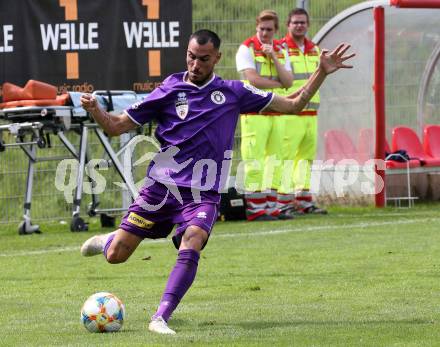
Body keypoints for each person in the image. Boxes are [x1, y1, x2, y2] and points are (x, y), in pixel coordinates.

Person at [79, 29, 354, 335]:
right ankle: (107, 241)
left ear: (217, 58)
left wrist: (321, 71)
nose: (195, 64)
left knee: (193, 237)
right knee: (118, 255)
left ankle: (160, 317)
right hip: (161, 188)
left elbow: (293, 104)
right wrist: (95, 110)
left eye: (203, 59)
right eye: (191, 57)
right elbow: (116, 127)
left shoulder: (234, 92)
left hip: (203, 192)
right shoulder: (169, 89)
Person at [236, 10, 294, 221]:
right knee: (255, 161)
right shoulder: (246, 48)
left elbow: (289, 80)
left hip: (276, 112)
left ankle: (271, 207)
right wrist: (278, 84)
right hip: (255, 113)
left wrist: (274, 58)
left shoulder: (280, 48)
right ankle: (255, 208)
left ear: (276, 30)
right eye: (262, 29)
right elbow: (253, 80)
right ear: (256, 27)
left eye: (269, 29)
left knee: (276, 160)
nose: (265, 33)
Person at [278, 8, 328, 215]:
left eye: (303, 22)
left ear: (308, 25)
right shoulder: (281, 48)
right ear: (288, 25)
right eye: (295, 22)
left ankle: (304, 200)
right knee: (287, 157)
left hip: (311, 113)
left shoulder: (315, 49)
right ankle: (284, 201)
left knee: (306, 159)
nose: (299, 26)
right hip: (291, 112)